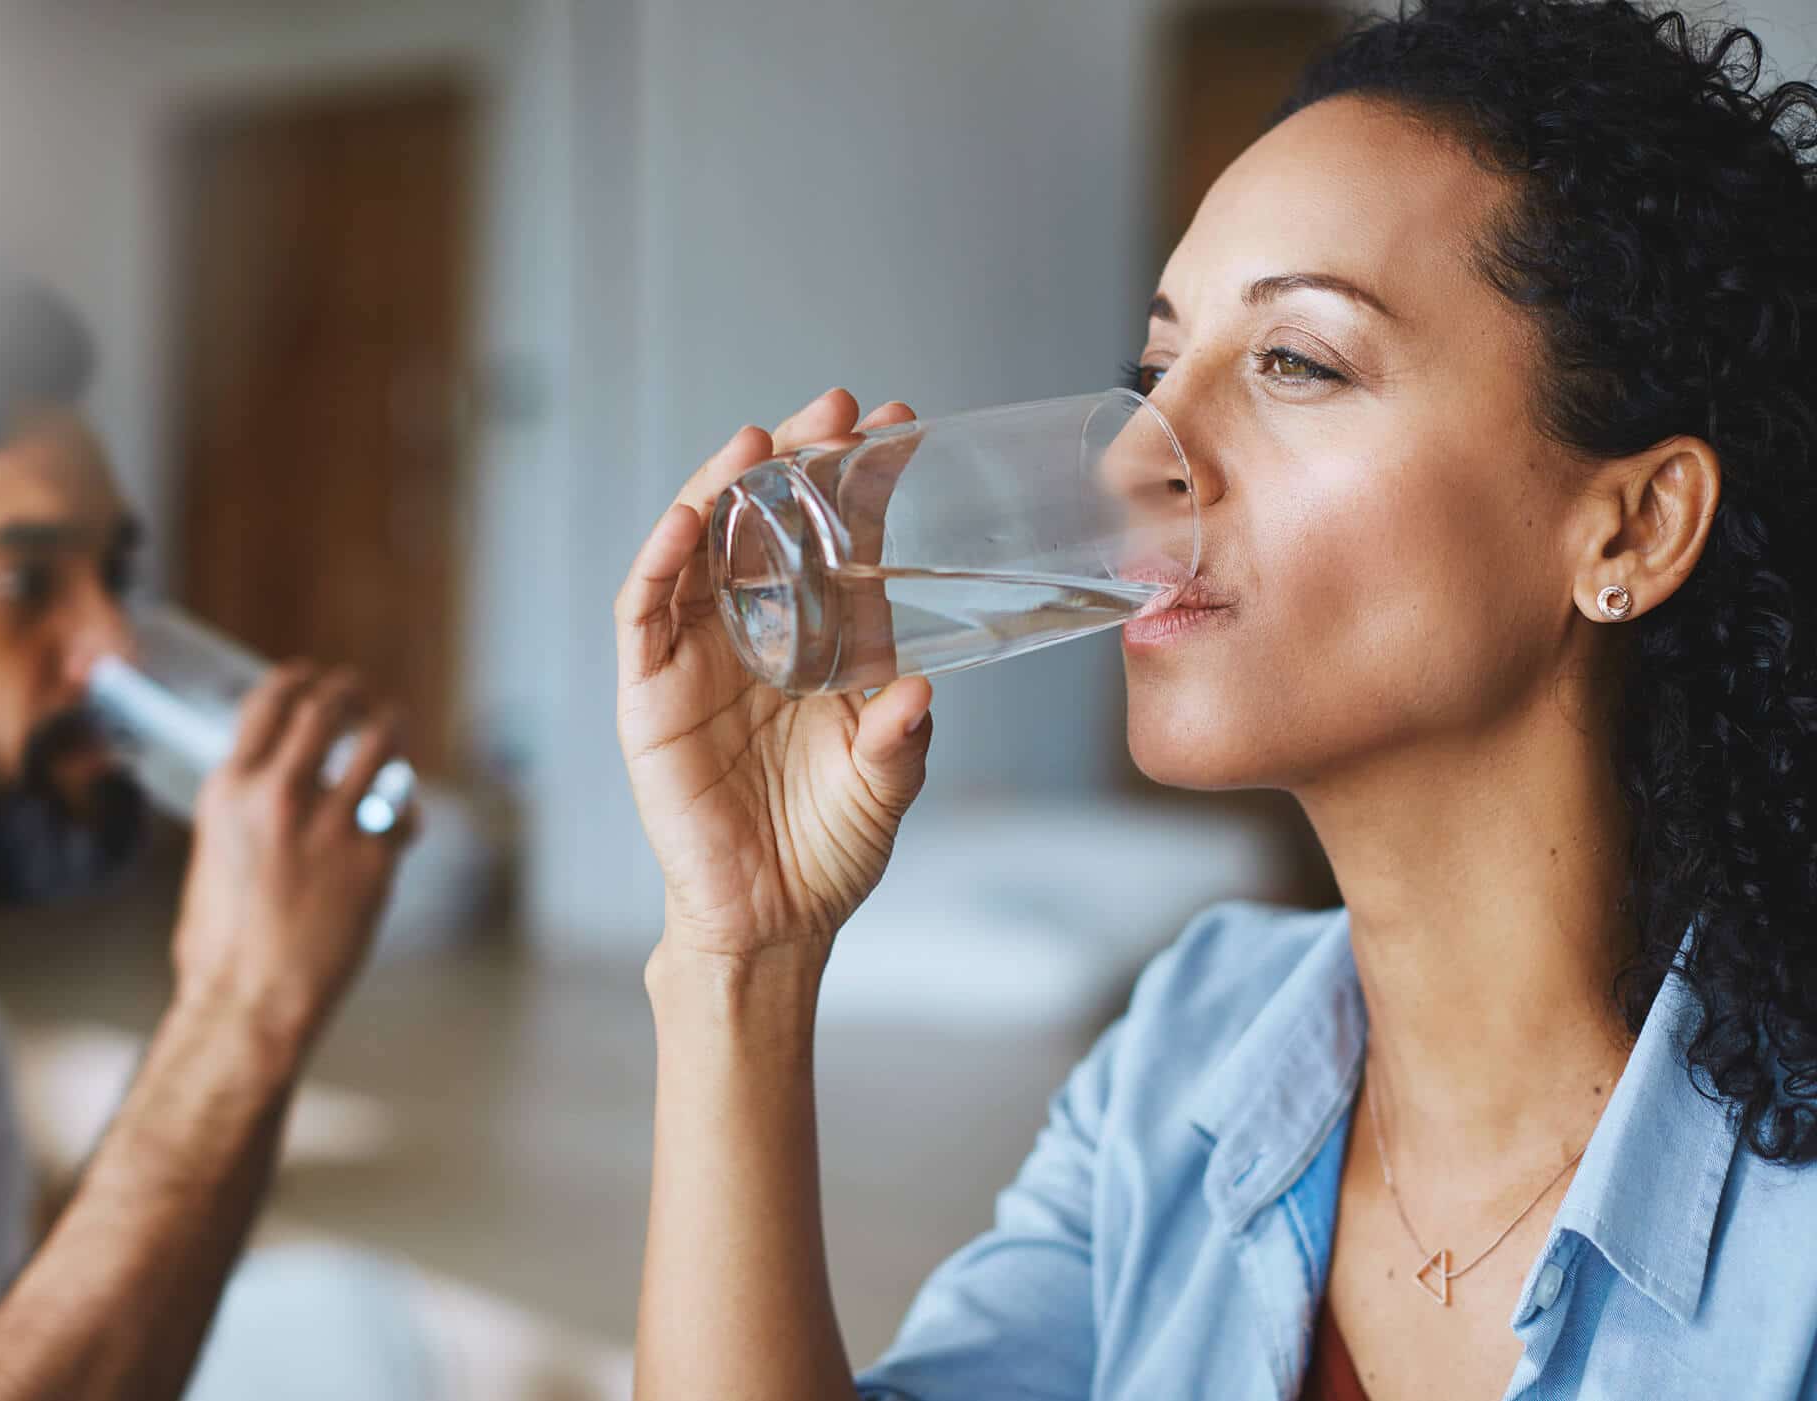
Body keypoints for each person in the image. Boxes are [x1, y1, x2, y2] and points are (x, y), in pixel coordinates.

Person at [615, 1, 1817, 1397]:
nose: (1141, 460)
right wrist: (740, 959)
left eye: (1295, 362)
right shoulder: (1186, 1050)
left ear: (1631, 529)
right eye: (1154, 368)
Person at [0, 279, 416, 1396]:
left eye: (115, 577)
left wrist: (267, 1018)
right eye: (20, 583)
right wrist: (238, 1011)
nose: (114, 649)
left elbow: (30, 1333)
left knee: (357, 1321)